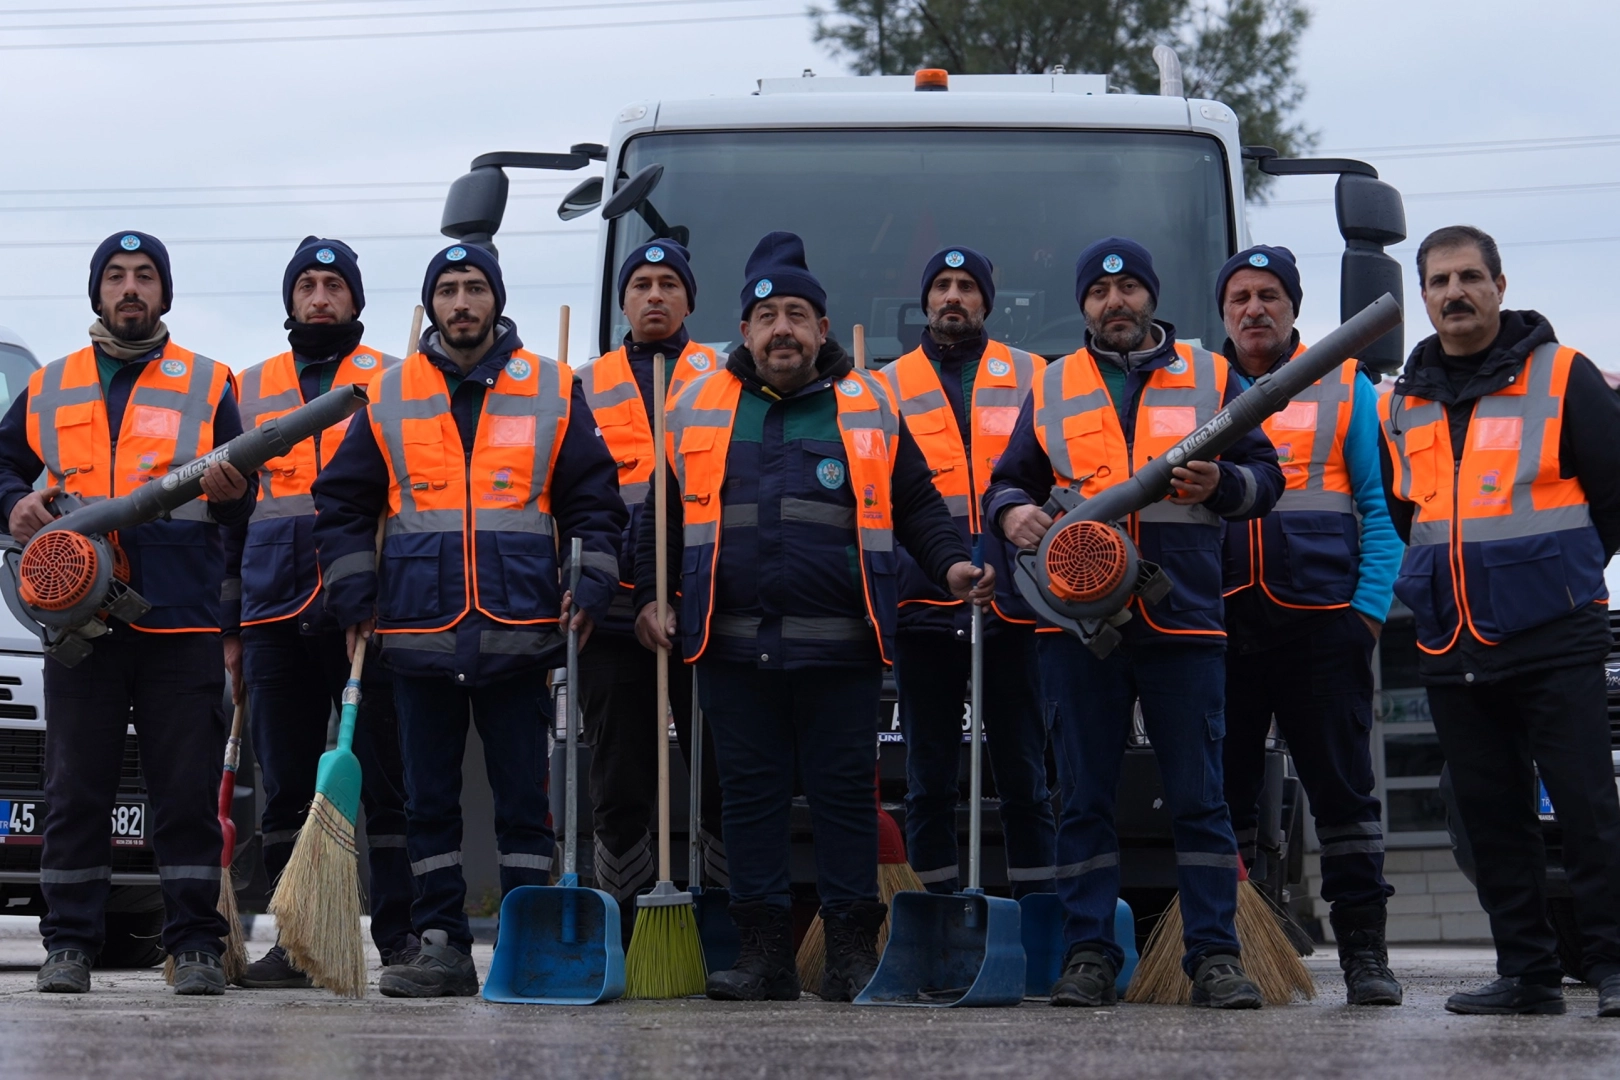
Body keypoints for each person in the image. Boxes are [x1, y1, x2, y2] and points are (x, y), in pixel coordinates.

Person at [635, 232, 990, 1003]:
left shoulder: (869, 404)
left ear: (823, 328)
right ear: (746, 329)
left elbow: (919, 505)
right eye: (766, 318)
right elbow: (658, 519)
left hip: (844, 650)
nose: (782, 330)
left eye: (797, 315)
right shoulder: (696, 406)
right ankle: (764, 959)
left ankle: (850, 957)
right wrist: (650, 596)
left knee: (843, 804)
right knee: (750, 804)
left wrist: (954, 562)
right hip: (730, 650)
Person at [312, 243, 625, 998]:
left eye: (474, 288)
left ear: (496, 300)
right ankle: (442, 943)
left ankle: (529, 936)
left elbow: (595, 501)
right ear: (434, 303)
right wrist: (354, 596)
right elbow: (343, 504)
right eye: (448, 290)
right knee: (429, 805)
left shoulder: (552, 388)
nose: (461, 302)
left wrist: (588, 587)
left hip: (521, 631)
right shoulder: (387, 394)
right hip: (417, 635)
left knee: (526, 801)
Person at [985, 237, 1283, 1009]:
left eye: (1127, 292)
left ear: (1149, 297)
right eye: (1097, 295)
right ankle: (1090, 955)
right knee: (1081, 795)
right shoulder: (1052, 387)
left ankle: (1214, 958)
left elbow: (1267, 480)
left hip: (1183, 619)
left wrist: (1222, 483)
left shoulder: (1213, 375)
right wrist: (1014, 512)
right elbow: (1009, 483)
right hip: (1076, 627)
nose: (1113, 305)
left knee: (1200, 798)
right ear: (1084, 305)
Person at [0, 231, 256, 995]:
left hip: (181, 618)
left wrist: (238, 495)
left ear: (165, 294)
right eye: (116, 277)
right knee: (76, 789)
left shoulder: (209, 384)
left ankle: (196, 947)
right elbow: (5, 467)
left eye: (145, 276)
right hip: (80, 620)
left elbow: (247, 498)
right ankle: (69, 944)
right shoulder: (49, 385)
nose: (131, 289)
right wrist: (16, 505)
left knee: (184, 792)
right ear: (97, 292)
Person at [1378, 224, 1620, 1018]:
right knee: (1492, 820)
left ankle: (1615, 969)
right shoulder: (1403, 402)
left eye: (1470, 277)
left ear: (1500, 285)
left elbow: (1613, 496)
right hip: (1451, 640)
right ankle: (1528, 975)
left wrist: (1561, 574)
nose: (1456, 293)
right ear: (1423, 296)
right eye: (1440, 281)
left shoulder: (1564, 376)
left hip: (1554, 633)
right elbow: (1404, 509)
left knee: (1587, 811)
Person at [1215, 245, 1405, 1006]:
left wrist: (1365, 618)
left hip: (1323, 628)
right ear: (1223, 311)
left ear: (1293, 306)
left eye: (1269, 294)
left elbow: (1382, 515)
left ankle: (1365, 954)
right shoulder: (1197, 388)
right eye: (1238, 297)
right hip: (1222, 627)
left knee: (1343, 798)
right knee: (1218, 802)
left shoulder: (1348, 388)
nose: (1253, 309)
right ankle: (1224, 955)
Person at [226, 237, 415, 987]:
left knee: (386, 778)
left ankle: (400, 936)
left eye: (333, 285)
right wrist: (232, 629)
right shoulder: (248, 387)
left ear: (356, 300)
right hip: (273, 607)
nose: (319, 297)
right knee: (287, 785)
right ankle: (296, 942)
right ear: (289, 300)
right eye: (306, 284)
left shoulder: (397, 382)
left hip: (364, 609)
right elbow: (230, 522)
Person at [880, 246, 1056, 898]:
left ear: (987, 299)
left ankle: (1039, 915)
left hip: (1018, 604)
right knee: (928, 781)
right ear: (925, 300)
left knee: (1025, 777)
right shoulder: (883, 386)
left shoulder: (1037, 376)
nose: (953, 297)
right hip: (922, 607)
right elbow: (877, 504)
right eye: (942, 286)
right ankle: (939, 919)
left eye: (966, 287)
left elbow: (1055, 483)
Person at [578, 240, 725, 935]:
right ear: (623, 302)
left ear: (691, 300)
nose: (655, 296)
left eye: (670, 284)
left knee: (722, 767)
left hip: (704, 603)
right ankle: (627, 921)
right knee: (620, 773)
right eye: (640, 285)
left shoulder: (724, 376)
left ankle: (727, 912)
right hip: (612, 608)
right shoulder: (584, 384)